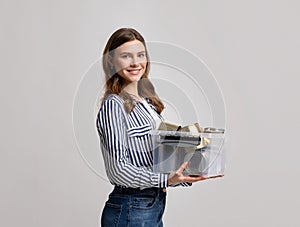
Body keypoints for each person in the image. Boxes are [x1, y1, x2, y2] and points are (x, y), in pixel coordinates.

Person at [96, 28, 222, 227]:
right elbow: (117, 170)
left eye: (140, 55)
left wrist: (190, 172)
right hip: (130, 208)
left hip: (150, 207)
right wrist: (166, 180)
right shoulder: (114, 105)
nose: (135, 62)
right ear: (111, 61)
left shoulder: (147, 103)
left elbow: (156, 162)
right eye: (126, 56)